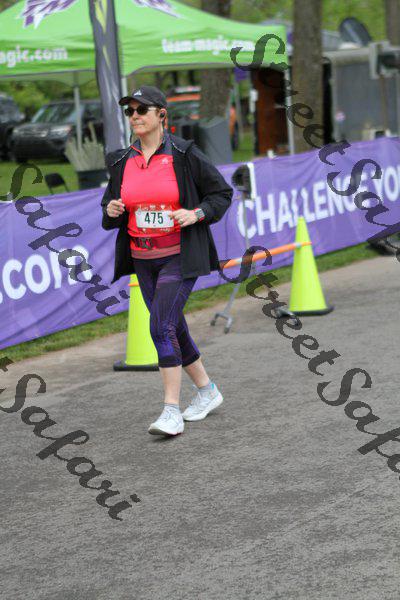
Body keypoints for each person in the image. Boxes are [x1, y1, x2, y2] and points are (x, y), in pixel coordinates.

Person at [100, 85, 233, 437]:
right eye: (130, 111)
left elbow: (221, 193)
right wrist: (111, 209)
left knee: (160, 327)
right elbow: (110, 209)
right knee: (174, 326)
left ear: (161, 114)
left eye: (141, 109)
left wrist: (197, 213)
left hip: (179, 256)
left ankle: (171, 411)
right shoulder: (120, 160)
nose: (135, 116)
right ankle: (207, 391)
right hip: (143, 259)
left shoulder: (184, 154)